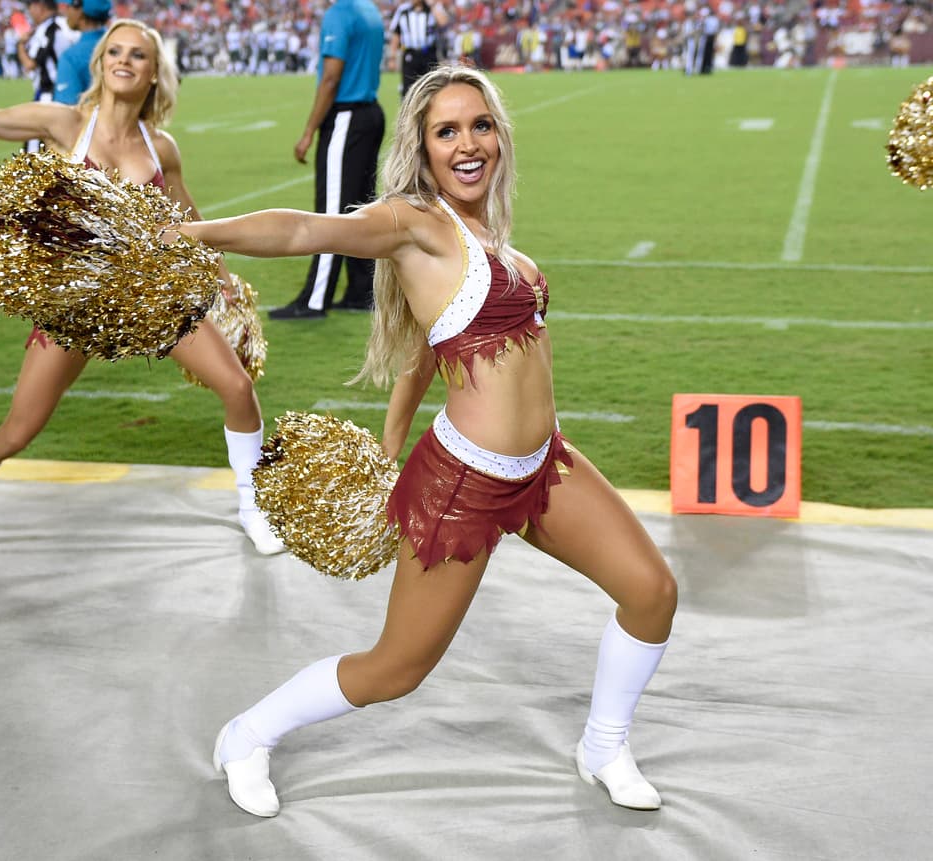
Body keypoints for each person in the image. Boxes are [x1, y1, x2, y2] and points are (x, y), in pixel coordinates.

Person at [170, 66, 678, 817]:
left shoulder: (488, 239)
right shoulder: (414, 224)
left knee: (652, 592)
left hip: (544, 467)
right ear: (424, 146)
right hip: (464, 487)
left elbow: (425, 348)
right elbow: (306, 229)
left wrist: (389, 443)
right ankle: (247, 734)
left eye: (480, 125)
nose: (468, 143)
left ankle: (603, 743)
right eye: (448, 131)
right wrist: (188, 234)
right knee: (396, 667)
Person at [0, 19, 286, 558]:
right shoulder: (65, 124)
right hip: (76, 306)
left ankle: (251, 506)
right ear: (100, 64)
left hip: (147, 298)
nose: (124, 60)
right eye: (114, 51)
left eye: (137, 55)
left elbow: (185, 210)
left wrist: (220, 273)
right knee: (17, 432)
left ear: (154, 74)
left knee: (237, 389)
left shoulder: (160, 146)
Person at [268, 0, 385, 320]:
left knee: (332, 211)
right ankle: (362, 290)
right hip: (370, 113)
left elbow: (332, 77)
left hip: (346, 116)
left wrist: (309, 131)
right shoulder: (369, 9)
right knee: (359, 208)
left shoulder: (340, 14)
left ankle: (315, 300)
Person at [18, 0, 77, 152]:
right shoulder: (67, 25)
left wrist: (20, 46)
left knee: (34, 151)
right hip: (70, 95)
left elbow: (30, 64)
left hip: (49, 96)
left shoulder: (47, 29)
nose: (29, 11)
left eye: (30, 6)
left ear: (40, 6)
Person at [53, 0, 111, 107]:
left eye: (69, 6)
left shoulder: (71, 57)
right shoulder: (119, 46)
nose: (66, 10)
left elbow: (66, 109)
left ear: (79, 10)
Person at [389, 0, 449, 99]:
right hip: (410, 54)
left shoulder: (432, 8)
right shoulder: (403, 10)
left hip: (428, 54)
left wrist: (432, 5)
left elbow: (443, 22)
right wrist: (392, 57)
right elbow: (396, 34)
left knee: (432, 89)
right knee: (408, 91)